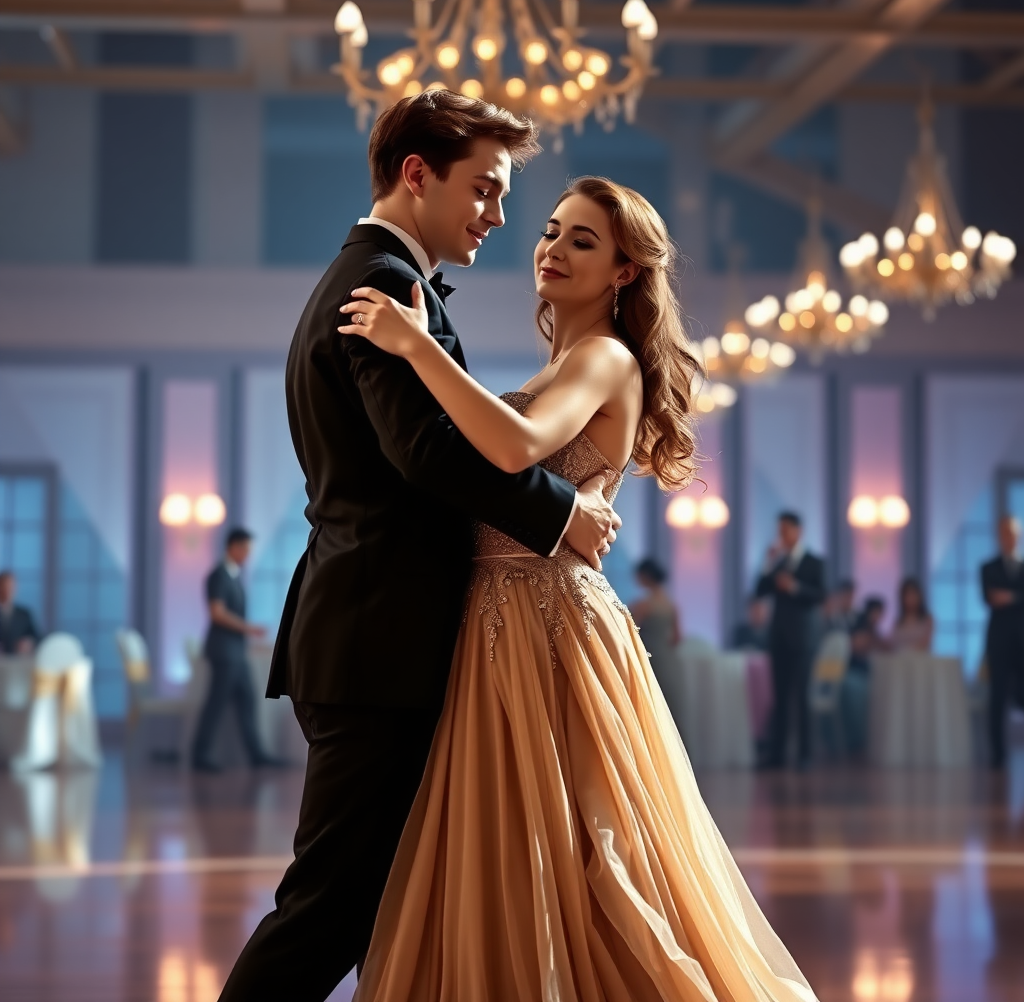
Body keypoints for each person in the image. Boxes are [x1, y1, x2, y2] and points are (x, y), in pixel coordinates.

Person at [339, 177, 817, 1000]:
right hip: (499, 618)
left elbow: (515, 445)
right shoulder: (569, 361)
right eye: (552, 232)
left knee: (586, 850)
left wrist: (417, 348)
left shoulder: (603, 357)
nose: (553, 249)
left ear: (626, 272)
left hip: (549, 623)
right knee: (517, 848)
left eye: (583, 242)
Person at [219, 92, 620, 1002]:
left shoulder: (369, 276)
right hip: (376, 640)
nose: (499, 216)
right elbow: (428, 454)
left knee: (388, 904)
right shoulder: (384, 285)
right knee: (329, 910)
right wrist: (560, 513)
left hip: (376, 632)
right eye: (484, 190)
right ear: (416, 174)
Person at [191, 528, 277, 773]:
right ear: (233, 547)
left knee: (248, 701)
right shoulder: (218, 576)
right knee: (216, 703)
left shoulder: (234, 576)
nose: (248, 555)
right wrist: (248, 629)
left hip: (237, 653)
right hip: (224, 652)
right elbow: (217, 613)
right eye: (246, 549)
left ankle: (257, 754)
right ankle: (201, 754)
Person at [754, 512, 827, 770]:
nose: (782, 536)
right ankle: (777, 755)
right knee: (780, 697)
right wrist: (767, 563)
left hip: (804, 639)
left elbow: (821, 594)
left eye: (786, 530)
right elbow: (759, 590)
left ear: (798, 531)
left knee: (802, 696)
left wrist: (794, 587)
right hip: (779, 637)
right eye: (780, 530)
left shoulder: (814, 562)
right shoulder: (778, 562)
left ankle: (805, 756)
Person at [980, 515, 1024, 770]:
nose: (1007, 537)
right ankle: (998, 755)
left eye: (1011, 532)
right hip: (998, 640)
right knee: (997, 698)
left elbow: (1008, 598)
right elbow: (990, 597)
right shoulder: (988, 568)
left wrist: (1011, 597)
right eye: (1003, 533)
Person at [629, 558, 685, 727]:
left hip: (650, 658)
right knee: (670, 706)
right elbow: (677, 638)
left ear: (646, 576)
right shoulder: (671, 604)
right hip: (669, 659)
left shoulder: (643, 605)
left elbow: (631, 633)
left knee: (651, 705)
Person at [843, 596, 888, 759]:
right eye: (877, 612)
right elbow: (857, 648)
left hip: (865, 674)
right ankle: (859, 741)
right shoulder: (861, 627)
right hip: (854, 673)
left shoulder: (873, 630)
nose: (879, 616)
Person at [0, 571, 40, 656]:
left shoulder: (24, 614)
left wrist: (29, 642)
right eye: (4, 586)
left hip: (19, 661)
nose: (8, 590)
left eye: (11, 587)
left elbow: (37, 637)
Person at [890, 576, 933, 651]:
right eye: (907, 595)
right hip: (899, 660)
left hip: (921, 660)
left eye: (913, 594)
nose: (911, 599)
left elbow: (924, 644)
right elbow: (891, 644)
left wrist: (904, 650)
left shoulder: (927, 620)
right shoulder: (898, 622)